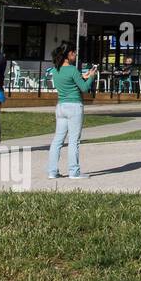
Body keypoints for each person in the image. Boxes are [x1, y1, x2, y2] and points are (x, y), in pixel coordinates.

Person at [48, 43, 97, 180]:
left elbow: (71, 82)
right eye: (74, 53)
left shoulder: (55, 70)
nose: (75, 55)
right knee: (74, 141)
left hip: (61, 106)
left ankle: (52, 171)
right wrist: (92, 76)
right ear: (68, 54)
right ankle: (74, 171)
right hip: (74, 106)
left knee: (57, 140)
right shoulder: (73, 70)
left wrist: (84, 76)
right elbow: (84, 88)